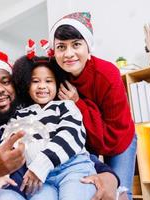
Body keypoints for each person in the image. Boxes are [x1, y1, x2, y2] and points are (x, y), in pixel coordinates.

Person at [0, 50, 120, 200]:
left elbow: (70, 146)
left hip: (48, 182)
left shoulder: (32, 113)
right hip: (7, 193)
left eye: (5, 82)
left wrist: (109, 176)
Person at [48, 12, 136, 199]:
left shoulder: (108, 74)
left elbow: (111, 136)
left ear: (89, 48)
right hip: (86, 140)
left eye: (76, 44)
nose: (69, 53)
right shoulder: (55, 75)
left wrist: (78, 103)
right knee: (91, 190)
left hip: (118, 136)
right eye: (61, 47)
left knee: (120, 193)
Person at [0, 54, 97, 200]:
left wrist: (40, 166)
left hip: (73, 168)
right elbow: (7, 147)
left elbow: (70, 135)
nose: (42, 86)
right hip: (40, 178)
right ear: (26, 85)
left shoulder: (66, 106)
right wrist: (0, 175)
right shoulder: (20, 116)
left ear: (57, 83)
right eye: (35, 81)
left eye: (49, 81)